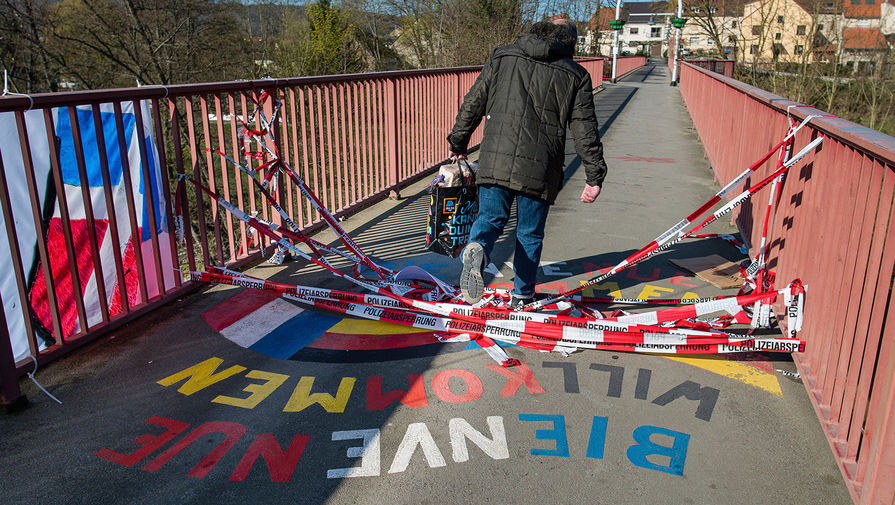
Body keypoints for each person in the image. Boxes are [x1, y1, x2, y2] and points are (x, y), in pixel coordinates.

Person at [447, 17, 608, 307]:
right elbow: (585, 129)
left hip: (496, 157)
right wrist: (594, 176)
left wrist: (458, 142)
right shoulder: (576, 75)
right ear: (570, 43)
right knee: (529, 234)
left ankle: (478, 250)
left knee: (489, 220)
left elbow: (474, 101)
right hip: (541, 166)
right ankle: (522, 294)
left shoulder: (503, 55)